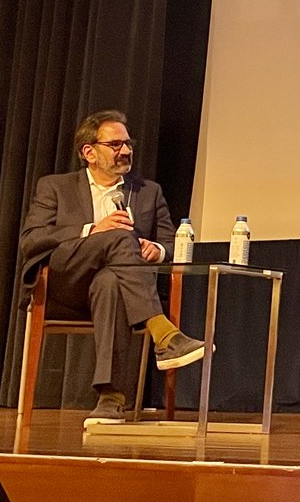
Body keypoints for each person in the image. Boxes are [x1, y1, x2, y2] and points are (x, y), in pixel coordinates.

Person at [19, 109, 205, 429]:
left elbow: (172, 243)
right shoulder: (55, 187)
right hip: (67, 281)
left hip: (118, 286)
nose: (127, 151)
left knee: (109, 282)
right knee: (119, 236)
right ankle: (164, 332)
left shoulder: (149, 191)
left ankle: (110, 399)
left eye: (128, 143)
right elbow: (31, 241)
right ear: (89, 152)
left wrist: (156, 249)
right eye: (116, 145)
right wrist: (93, 229)